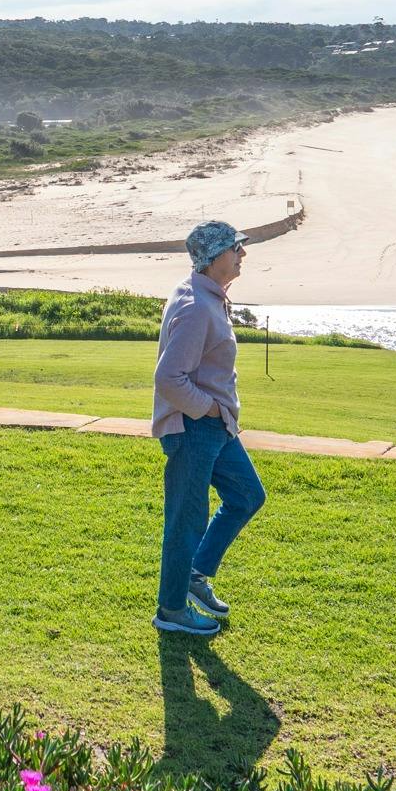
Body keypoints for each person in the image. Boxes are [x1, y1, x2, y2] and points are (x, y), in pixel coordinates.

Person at [151, 220, 266, 636]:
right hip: (194, 428)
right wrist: (209, 410)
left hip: (216, 427)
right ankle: (171, 611)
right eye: (235, 247)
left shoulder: (208, 295)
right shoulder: (197, 306)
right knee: (186, 521)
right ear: (214, 256)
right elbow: (168, 379)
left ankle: (196, 574)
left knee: (247, 495)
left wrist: (219, 415)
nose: (242, 254)